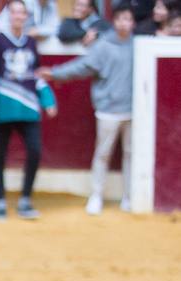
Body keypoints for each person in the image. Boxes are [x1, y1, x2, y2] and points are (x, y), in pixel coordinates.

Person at [39, 4, 136, 214]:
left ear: (132, 23)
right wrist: (55, 73)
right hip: (108, 109)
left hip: (133, 110)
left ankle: (128, 196)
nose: (123, 23)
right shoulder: (103, 46)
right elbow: (81, 67)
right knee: (103, 153)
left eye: (128, 19)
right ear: (114, 21)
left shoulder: (138, 45)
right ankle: (96, 195)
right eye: (120, 19)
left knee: (130, 154)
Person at [0, 0, 57, 220]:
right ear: (8, 15)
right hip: (3, 108)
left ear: (26, 16)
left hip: (28, 107)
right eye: (14, 12)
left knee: (35, 151)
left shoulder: (30, 43)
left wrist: (48, 100)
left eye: (22, 13)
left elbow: (36, 75)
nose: (18, 16)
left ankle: (25, 200)